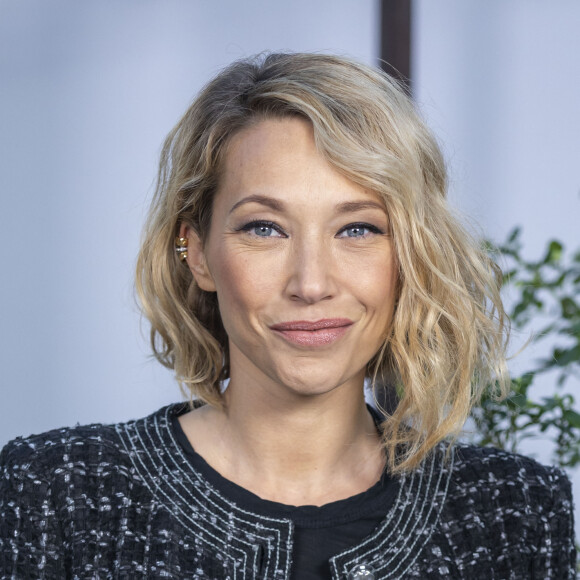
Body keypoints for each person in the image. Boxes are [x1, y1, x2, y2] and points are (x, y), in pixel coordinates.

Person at [0, 53, 575, 579]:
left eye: (358, 229)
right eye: (264, 228)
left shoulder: (514, 510)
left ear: (410, 254)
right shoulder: (54, 493)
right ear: (196, 250)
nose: (311, 284)